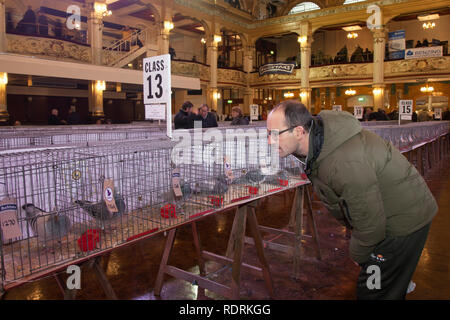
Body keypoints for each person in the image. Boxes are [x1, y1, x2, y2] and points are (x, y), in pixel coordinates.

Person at [266, 100, 437, 300]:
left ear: (298, 131)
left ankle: (395, 276)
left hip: (404, 222)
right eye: (268, 133)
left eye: (274, 134)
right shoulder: (320, 146)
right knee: (384, 285)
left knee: (372, 292)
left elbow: (370, 221)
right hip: (393, 216)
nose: (269, 141)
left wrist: (360, 255)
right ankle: (396, 276)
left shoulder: (343, 160)